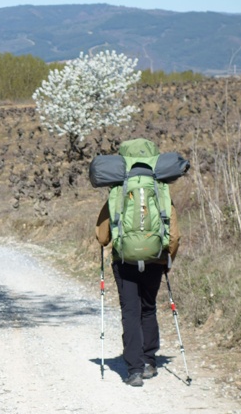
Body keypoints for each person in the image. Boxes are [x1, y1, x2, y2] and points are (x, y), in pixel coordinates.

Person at [95, 156, 181, 388]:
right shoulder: (160, 193)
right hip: (155, 260)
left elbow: (103, 237)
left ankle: (134, 371)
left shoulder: (117, 193)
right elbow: (174, 235)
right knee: (148, 308)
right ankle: (149, 362)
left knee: (130, 311)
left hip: (124, 261)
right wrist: (167, 258)